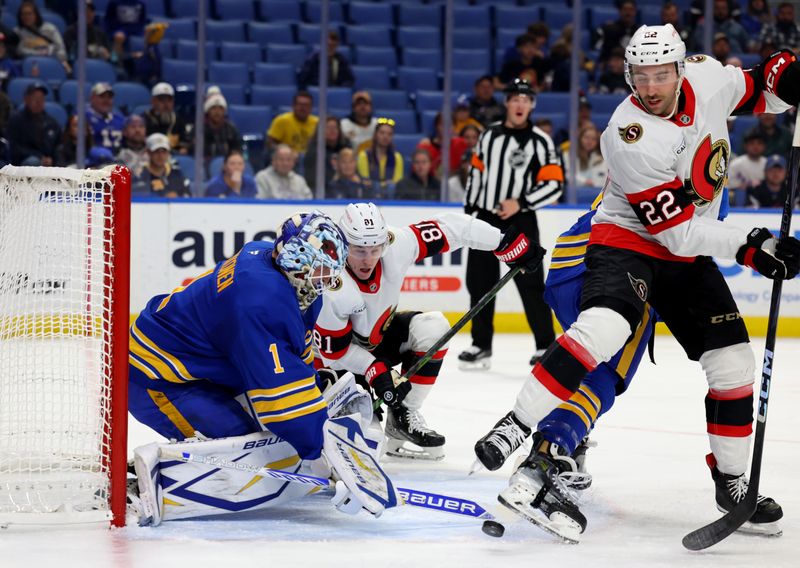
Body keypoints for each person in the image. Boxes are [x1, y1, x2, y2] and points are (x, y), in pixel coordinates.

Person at [474, 24, 799, 543]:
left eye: (661, 75)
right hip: (630, 242)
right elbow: (677, 235)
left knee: (734, 363)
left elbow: (760, 86)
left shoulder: (710, 78)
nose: (650, 88)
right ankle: (518, 426)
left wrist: (786, 80)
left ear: (681, 68)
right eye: (640, 76)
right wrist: (749, 244)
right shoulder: (629, 134)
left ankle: (732, 481)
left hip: (686, 252)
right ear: (627, 74)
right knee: (604, 330)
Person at [128, 212, 397, 523]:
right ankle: (140, 483)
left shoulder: (282, 272)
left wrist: (310, 386)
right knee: (245, 444)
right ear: (297, 260)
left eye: (330, 272)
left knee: (272, 436)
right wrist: (325, 460)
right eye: (320, 270)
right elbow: (283, 405)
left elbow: (290, 351)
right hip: (156, 377)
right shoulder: (259, 299)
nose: (325, 281)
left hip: (206, 368)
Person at [314, 203, 543, 460]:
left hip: (377, 344)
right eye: (359, 250)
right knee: (366, 448)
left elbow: (453, 228)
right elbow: (334, 354)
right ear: (342, 244)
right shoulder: (330, 280)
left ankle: (403, 418)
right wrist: (374, 370)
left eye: (374, 249)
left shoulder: (395, 244)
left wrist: (502, 241)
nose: (368, 259)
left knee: (433, 327)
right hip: (335, 367)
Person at [460, 79, 562, 370]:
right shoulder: (488, 135)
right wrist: (472, 209)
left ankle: (545, 345)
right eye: (515, 99)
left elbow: (554, 184)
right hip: (486, 217)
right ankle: (481, 345)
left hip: (521, 218)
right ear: (506, 102)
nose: (520, 104)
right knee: (478, 281)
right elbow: (477, 174)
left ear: (532, 105)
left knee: (530, 282)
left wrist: (521, 202)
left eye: (526, 100)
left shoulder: (541, 141)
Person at [7, 81, 61, 166]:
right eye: (35, 98)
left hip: (48, 162)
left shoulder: (51, 122)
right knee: (33, 161)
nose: (39, 102)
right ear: (26, 99)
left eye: (41, 98)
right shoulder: (16, 119)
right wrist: (39, 157)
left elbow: (58, 146)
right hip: (24, 162)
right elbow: (14, 147)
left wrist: (52, 159)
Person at [15, 1, 69, 73]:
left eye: (29, 14)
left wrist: (60, 61)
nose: (26, 17)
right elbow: (19, 50)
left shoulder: (50, 29)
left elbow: (60, 48)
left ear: (36, 15)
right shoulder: (17, 32)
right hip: (31, 64)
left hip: (52, 61)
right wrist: (39, 54)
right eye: (23, 14)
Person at [132, 133, 191, 197]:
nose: (161, 156)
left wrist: (177, 198)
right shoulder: (140, 175)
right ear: (149, 153)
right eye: (156, 151)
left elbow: (188, 196)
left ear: (168, 152)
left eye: (164, 151)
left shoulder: (176, 174)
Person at [357, 118, 403, 199]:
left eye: (389, 134)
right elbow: (366, 181)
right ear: (375, 135)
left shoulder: (397, 157)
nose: (385, 136)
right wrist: (383, 184)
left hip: (390, 197)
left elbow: (397, 182)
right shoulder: (364, 156)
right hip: (369, 197)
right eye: (382, 133)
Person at [416, 113, 469, 179]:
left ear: (454, 127)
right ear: (437, 126)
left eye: (449, 125)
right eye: (442, 124)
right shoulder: (425, 146)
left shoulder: (461, 143)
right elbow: (417, 169)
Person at [303, 116, 350, 189]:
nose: (332, 130)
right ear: (320, 130)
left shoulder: (346, 146)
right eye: (328, 127)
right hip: (324, 190)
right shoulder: (314, 151)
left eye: (335, 127)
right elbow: (313, 179)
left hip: (345, 188)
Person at [144, 82, 191, 154]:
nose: (166, 104)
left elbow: (184, 140)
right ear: (153, 101)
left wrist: (183, 148)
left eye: (169, 100)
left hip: (174, 154)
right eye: (161, 100)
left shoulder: (177, 119)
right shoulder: (145, 119)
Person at [200, 88, 242, 160]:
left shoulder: (231, 129)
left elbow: (237, 151)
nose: (217, 112)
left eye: (220, 108)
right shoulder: (200, 129)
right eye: (213, 108)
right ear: (208, 110)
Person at [592, 0, 638, 66]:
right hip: (612, 67)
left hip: (633, 66)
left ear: (635, 11)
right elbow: (599, 48)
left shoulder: (640, 31)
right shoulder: (609, 29)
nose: (628, 13)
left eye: (631, 10)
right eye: (625, 9)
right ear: (620, 11)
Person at [728, 131, 767, 206]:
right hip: (740, 199)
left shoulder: (767, 163)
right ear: (745, 146)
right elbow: (727, 185)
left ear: (764, 146)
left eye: (759, 143)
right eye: (752, 143)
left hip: (762, 200)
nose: (756, 146)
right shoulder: (736, 164)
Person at [562, 124, 606, 189]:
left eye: (593, 139)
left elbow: (605, 178)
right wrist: (584, 181)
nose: (589, 141)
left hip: (595, 192)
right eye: (586, 137)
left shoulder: (602, 158)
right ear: (580, 138)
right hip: (574, 192)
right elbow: (567, 174)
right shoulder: (568, 155)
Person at [86, 82, 125, 153]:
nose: (106, 100)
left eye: (109, 97)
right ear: (92, 98)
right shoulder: (84, 118)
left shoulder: (120, 119)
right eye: (102, 96)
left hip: (118, 161)